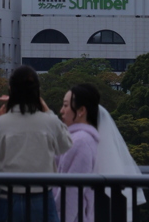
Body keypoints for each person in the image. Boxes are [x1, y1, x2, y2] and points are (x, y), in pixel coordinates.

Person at [0, 66, 71, 222]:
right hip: (43, 197)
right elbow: (65, 144)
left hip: (8, 197)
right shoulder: (49, 122)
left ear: (11, 89)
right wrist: (46, 110)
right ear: (37, 91)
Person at [54, 84, 101, 222]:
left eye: (66, 105)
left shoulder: (80, 141)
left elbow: (72, 193)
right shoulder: (80, 139)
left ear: (81, 110)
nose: (61, 110)